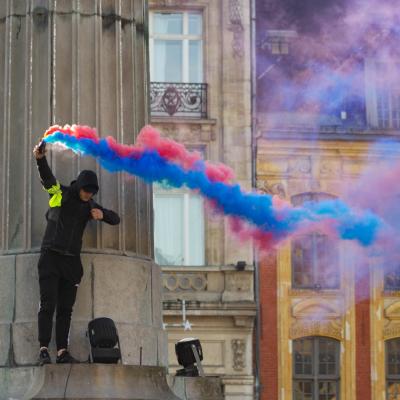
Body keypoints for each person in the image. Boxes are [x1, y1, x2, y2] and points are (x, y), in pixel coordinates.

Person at [33, 142, 120, 366]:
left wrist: (103, 215)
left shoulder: (89, 204)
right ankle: (44, 349)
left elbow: (115, 218)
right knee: (47, 304)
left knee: (65, 310)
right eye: (85, 190)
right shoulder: (60, 194)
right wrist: (40, 159)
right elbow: (48, 180)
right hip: (51, 256)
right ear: (79, 186)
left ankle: (62, 351)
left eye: (91, 193)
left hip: (71, 263)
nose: (87, 195)